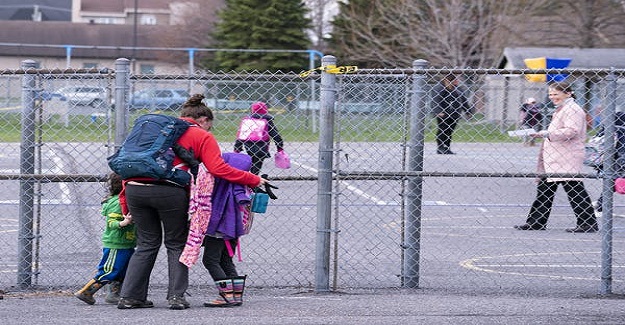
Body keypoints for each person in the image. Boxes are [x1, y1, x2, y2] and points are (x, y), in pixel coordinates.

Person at [117, 94, 266, 310]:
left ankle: (130, 297)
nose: (209, 130)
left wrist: (125, 207)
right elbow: (218, 169)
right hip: (170, 191)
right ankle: (176, 297)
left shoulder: (155, 132)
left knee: (146, 245)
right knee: (176, 243)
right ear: (203, 120)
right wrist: (254, 178)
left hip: (134, 190)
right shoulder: (200, 135)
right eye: (209, 126)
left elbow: (130, 165)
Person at [514, 82, 598, 233]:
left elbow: (572, 131)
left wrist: (547, 134)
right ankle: (536, 222)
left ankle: (588, 223)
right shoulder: (563, 108)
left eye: (556, 94)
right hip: (555, 157)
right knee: (545, 189)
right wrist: (544, 133)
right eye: (551, 94)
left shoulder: (572, 109)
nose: (552, 97)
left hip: (567, 156)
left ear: (568, 93)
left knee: (574, 189)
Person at [74, 172, 135, 305]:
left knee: (122, 270)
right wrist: (123, 223)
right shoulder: (117, 202)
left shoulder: (126, 199)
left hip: (127, 242)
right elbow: (111, 222)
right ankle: (86, 291)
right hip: (116, 244)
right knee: (109, 270)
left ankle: (114, 294)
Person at [201, 152, 253, 308]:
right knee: (224, 259)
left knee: (210, 260)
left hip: (219, 226)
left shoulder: (222, 183)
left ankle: (226, 296)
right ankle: (235, 295)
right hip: (234, 228)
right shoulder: (241, 182)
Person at [234, 101, 284, 174]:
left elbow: (242, 134)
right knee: (258, 163)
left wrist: (237, 148)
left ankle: (250, 178)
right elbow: (275, 135)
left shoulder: (248, 120)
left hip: (249, 145)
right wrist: (279, 147)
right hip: (262, 145)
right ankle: (253, 179)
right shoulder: (267, 120)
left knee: (252, 161)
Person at [431, 74, 470, 155]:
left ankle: (447, 147)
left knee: (449, 131)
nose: (457, 82)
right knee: (443, 130)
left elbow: (463, 101)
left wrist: (468, 111)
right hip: (444, 114)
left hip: (454, 114)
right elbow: (436, 100)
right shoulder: (440, 88)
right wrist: (439, 111)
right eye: (455, 80)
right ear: (448, 80)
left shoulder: (457, 89)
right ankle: (441, 147)